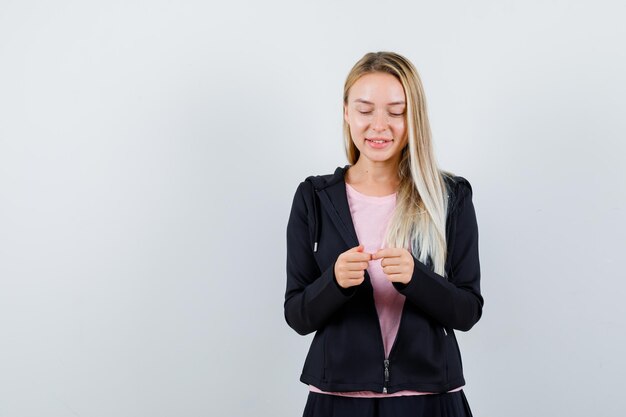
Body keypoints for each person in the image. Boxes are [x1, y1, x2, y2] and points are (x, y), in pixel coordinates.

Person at [284, 51, 483, 417]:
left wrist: (415, 278)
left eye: (396, 112)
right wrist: (335, 282)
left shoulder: (450, 197)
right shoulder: (313, 198)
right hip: (336, 401)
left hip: (430, 400)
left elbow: (468, 311)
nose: (379, 125)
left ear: (414, 118)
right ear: (346, 112)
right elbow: (297, 316)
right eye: (365, 110)